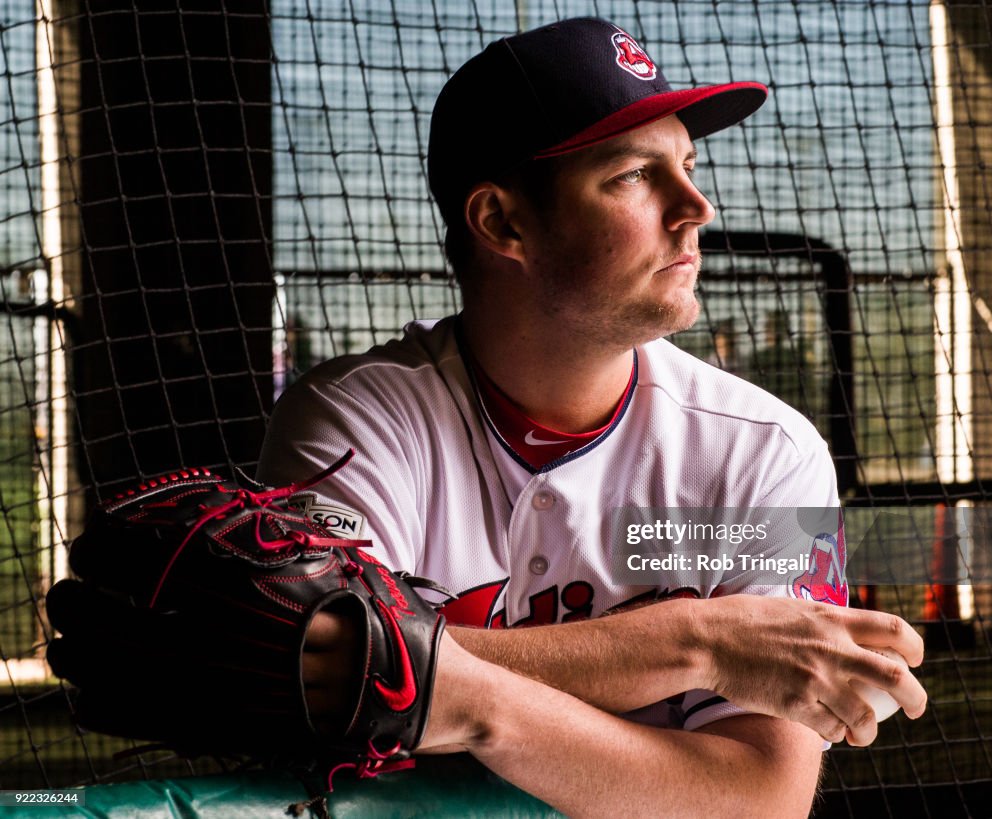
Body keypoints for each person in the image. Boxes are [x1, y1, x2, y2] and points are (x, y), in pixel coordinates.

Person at [258, 17, 926, 817]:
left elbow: (759, 795)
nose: (696, 206)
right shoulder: (354, 422)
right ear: (502, 222)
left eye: (686, 163)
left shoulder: (769, 452)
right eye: (635, 175)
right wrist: (699, 643)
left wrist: (446, 690)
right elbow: (325, 669)